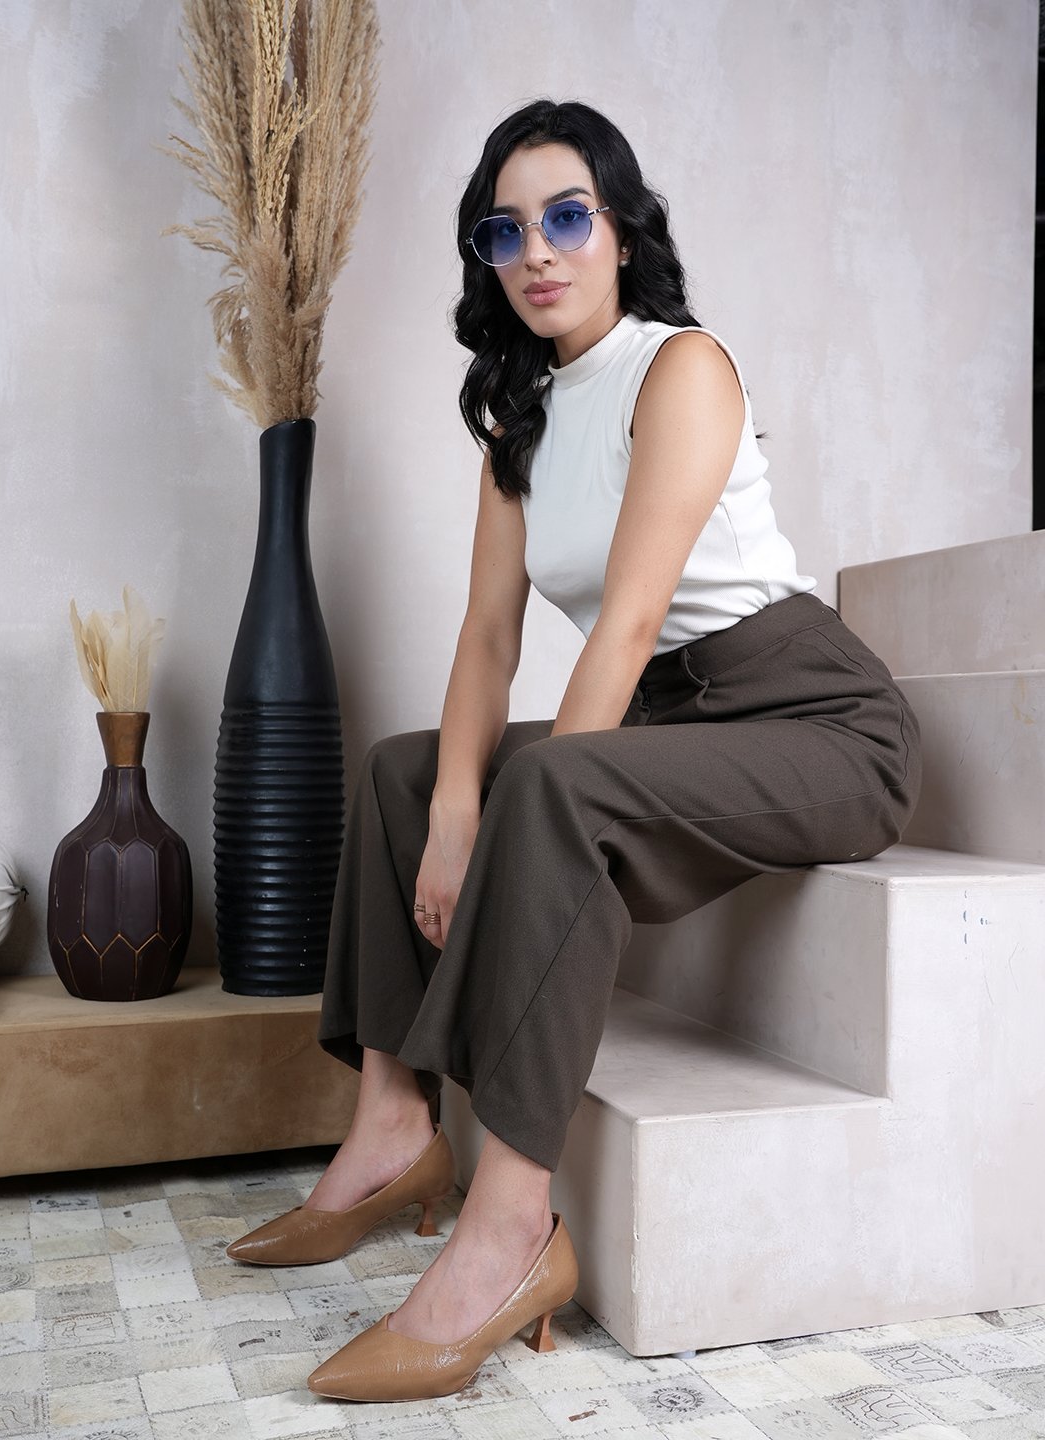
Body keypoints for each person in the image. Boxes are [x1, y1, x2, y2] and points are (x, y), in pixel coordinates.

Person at [225, 97, 922, 1403]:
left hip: (815, 721)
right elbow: (488, 636)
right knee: (404, 770)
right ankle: (390, 1130)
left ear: (622, 231)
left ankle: (511, 1228)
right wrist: (452, 813)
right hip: (671, 717)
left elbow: (636, 617)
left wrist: (504, 828)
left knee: (549, 785)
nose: (536, 251)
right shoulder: (520, 420)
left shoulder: (683, 367)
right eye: (505, 231)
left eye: (565, 216)